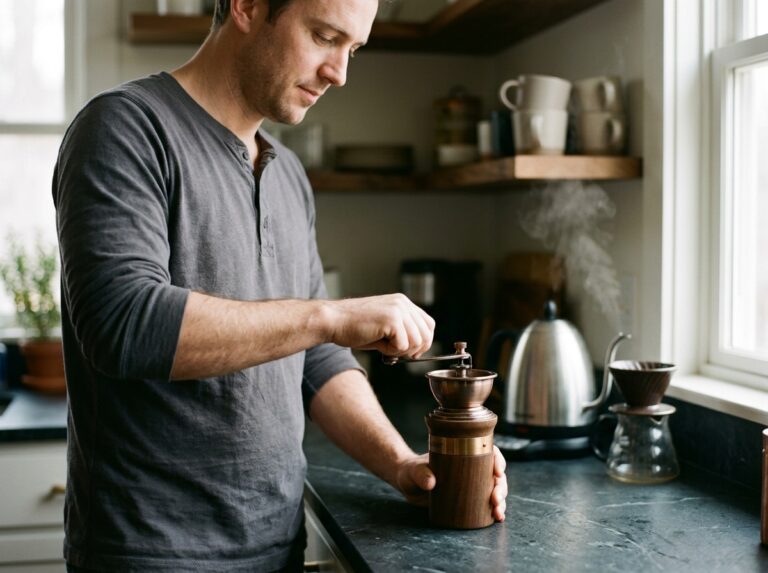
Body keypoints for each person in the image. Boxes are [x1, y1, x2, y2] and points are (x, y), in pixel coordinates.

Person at [53, 0, 508, 571]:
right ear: (246, 6)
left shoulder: (289, 174)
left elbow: (317, 363)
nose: (339, 72)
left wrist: (402, 464)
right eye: (323, 37)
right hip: (151, 554)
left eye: (353, 49)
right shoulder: (125, 128)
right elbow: (123, 325)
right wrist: (330, 316)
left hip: (276, 546)